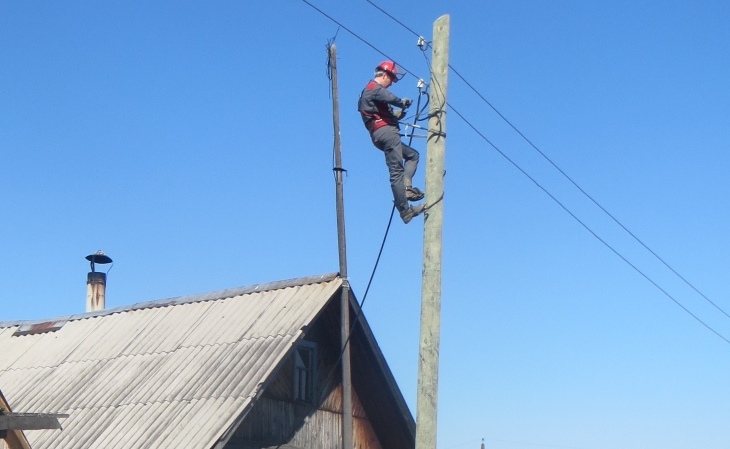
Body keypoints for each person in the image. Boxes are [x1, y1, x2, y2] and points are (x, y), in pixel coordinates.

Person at [358, 60, 426, 224]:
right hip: (387, 133)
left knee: (412, 155)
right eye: (391, 79)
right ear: (384, 74)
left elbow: (381, 110)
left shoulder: (372, 94)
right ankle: (405, 211)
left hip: (381, 134)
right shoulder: (373, 88)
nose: (391, 83)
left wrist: (397, 114)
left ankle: (407, 187)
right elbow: (388, 96)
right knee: (396, 171)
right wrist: (401, 101)